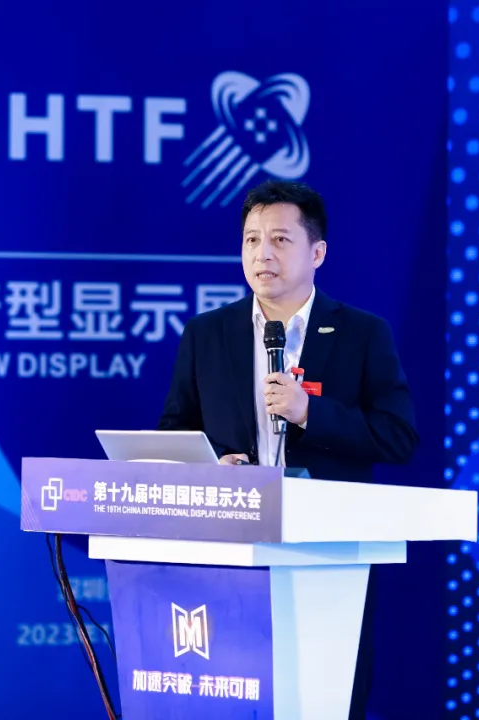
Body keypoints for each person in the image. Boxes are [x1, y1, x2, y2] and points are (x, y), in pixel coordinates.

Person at [157, 178, 418, 718]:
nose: (262, 254)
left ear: (317, 252)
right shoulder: (207, 334)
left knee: (326, 697)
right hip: (232, 551)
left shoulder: (363, 334)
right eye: (251, 240)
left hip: (327, 554)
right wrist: (214, 464)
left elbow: (398, 436)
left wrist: (310, 413)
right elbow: (175, 430)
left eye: (280, 239)